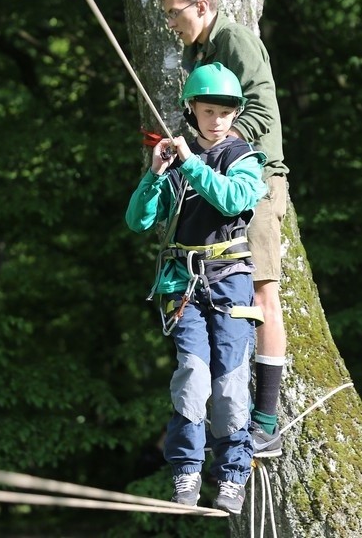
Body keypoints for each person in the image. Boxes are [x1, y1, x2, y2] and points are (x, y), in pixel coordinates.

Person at [126, 62, 267, 514]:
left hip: (231, 284)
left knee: (228, 387)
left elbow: (232, 199)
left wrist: (191, 161)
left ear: (236, 113)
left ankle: (231, 476)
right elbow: (139, 220)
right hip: (184, 284)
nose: (217, 119)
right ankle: (186, 469)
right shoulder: (178, 163)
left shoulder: (243, 158)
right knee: (192, 377)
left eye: (226, 111)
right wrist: (155, 174)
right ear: (192, 110)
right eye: (208, 111)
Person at [158, 0, 288, 458]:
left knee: (259, 291)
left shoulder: (234, 40)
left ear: (203, 7)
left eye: (175, 12)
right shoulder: (198, 51)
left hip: (252, 180)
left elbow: (261, 114)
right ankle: (224, 417)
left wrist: (213, 152)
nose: (171, 23)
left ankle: (268, 422)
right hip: (216, 180)